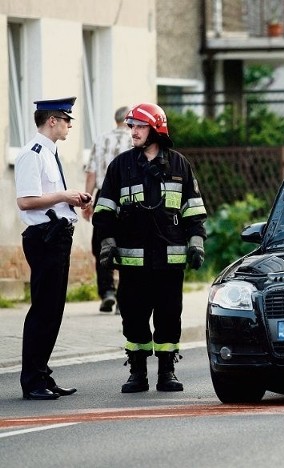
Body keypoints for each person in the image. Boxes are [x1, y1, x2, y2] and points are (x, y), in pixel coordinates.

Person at [92, 103, 207, 393]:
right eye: (131, 126)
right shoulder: (121, 165)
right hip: (133, 262)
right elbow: (104, 210)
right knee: (133, 316)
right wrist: (107, 242)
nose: (133, 132)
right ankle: (137, 372)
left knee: (169, 315)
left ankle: (167, 372)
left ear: (156, 129)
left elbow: (194, 211)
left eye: (139, 126)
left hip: (170, 260)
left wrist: (196, 242)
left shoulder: (180, 165)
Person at [14, 97, 93, 400]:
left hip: (57, 235)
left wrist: (71, 198)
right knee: (43, 311)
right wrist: (64, 195)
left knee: (53, 310)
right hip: (45, 236)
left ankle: (42, 374)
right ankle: (32, 381)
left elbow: (48, 196)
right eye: (66, 119)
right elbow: (26, 200)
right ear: (52, 121)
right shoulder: (32, 154)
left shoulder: (48, 153)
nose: (69, 125)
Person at [83, 106, 132, 313]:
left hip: (104, 193)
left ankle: (107, 292)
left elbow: (91, 172)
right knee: (128, 243)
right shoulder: (134, 139)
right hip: (129, 195)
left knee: (102, 242)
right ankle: (124, 297)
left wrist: (87, 201)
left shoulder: (101, 139)